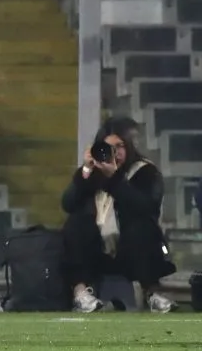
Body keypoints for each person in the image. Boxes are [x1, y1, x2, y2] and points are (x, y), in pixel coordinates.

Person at [60, 117, 176, 313]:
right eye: (108, 147)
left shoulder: (144, 171)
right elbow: (68, 204)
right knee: (75, 222)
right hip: (96, 250)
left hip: (130, 249)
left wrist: (114, 179)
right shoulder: (92, 173)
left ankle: (152, 293)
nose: (115, 153)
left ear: (129, 147)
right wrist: (86, 171)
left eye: (120, 146)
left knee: (143, 227)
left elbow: (146, 207)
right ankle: (80, 293)